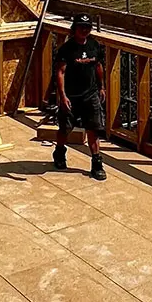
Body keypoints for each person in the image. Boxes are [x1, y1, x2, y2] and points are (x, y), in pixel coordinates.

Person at [52, 13, 107, 179]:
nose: (84, 30)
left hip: (90, 95)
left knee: (93, 129)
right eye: (81, 27)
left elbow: (98, 66)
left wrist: (101, 87)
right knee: (65, 128)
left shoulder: (94, 46)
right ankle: (59, 153)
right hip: (71, 96)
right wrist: (62, 96)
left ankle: (97, 164)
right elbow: (60, 72)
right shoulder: (66, 49)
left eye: (87, 27)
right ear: (74, 29)